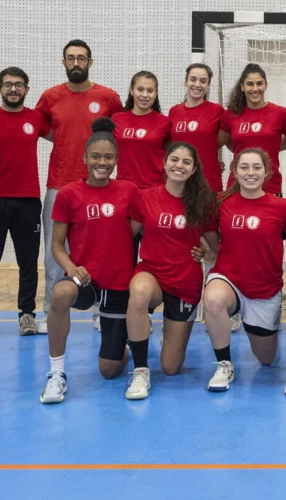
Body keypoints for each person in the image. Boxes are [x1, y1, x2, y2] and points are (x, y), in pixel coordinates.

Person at [39, 118, 139, 404]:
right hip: (85, 279)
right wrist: (71, 268)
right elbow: (57, 245)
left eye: (108, 157)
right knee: (61, 293)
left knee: (109, 370)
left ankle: (123, 343)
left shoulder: (129, 191)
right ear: (85, 158)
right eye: (95, 156)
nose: (102, 162)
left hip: (119, 284)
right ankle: (56, 373)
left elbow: (142, 230)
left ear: (116, 160)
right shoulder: (69, 194)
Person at [35, 40, 123, 333]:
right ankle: (51, 309)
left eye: (81, 58)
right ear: (63, 62)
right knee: (53, 251)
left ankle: (102, 310)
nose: (76, 62)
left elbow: (118, 135)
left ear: (90, 62)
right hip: (59, 184)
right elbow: (43, 130)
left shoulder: (108, 97)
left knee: (100, 251)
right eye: (70, 58)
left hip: (98, 187)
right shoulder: (50, 97)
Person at [203, 148, 286, 392]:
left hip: (265, 289)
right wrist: (204, 251)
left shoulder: (281, 206)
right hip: (229, 279)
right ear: (235, 172)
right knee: (214, 300)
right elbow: (210, 240)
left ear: (267, 172)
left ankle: (262, 325)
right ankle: (223, 364)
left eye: (256, 167)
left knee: (266, 359)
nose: (250, 173)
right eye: (244, 167)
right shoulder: (221, 203)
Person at [124, 142, 220, 400]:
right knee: (139, 292)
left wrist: (206, 252)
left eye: (186, 162)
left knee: (170, 367)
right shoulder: (145, 197)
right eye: (174, 160)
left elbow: (216, 246)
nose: (179, 165)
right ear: (165, 163)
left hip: (185, 281)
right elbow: (125, 238)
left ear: (193, 169)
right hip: (151, 273)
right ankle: (141, 369)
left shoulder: (203, 203)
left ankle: (144, 335)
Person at [0, 66, 49, 338]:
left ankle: (27, 315)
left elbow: (60, 138)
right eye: (7, 85)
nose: (13, 89)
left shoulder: (37, 118)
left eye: (18, 84)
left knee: (28, 262)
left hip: (28, 201)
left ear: (27, 89)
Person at [218, 63, 286, 196]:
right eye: (250, 84)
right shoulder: (231, 114)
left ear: (266, 85)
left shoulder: (280, 113)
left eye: (259, 83)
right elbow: (220, 142)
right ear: (242, 86)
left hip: (270, 186)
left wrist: (271, 146)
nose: (255, 88)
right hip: (237, 185)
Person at [168, 63, 226, 192]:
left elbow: (222, 141)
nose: (197, 84)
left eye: (203, 81)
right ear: (186, 82)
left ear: (208, 85)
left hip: (208, 182)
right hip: (179, 182)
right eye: (193, 79)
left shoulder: (217, 111)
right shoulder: (174, 111)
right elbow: (169, 146)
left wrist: (211, 157)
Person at [113, 71, 171, 190]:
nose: (145, 95)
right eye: (140, 89)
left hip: (154, 189)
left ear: (156, 94)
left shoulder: (165, 122)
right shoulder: (116, 120)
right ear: (131, 91)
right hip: (123, 188)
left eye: (150, 91)